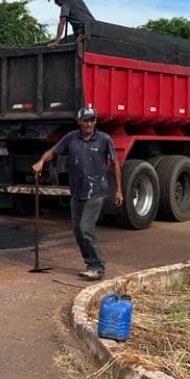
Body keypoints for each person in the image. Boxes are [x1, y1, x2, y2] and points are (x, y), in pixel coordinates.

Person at [31, 106, 123, 281]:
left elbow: (115, 163)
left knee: (86, 227)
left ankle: (98, 266)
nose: (89, 124)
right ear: (79, 122)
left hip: (97, 191)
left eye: (92, 120)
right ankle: (90, 263)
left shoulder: (104, 139)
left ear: (95, 121)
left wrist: (119, 189)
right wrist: (41, 161)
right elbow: (53, 151)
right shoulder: (71, 138)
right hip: (78, 191)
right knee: (78, 231)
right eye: (85, 120)